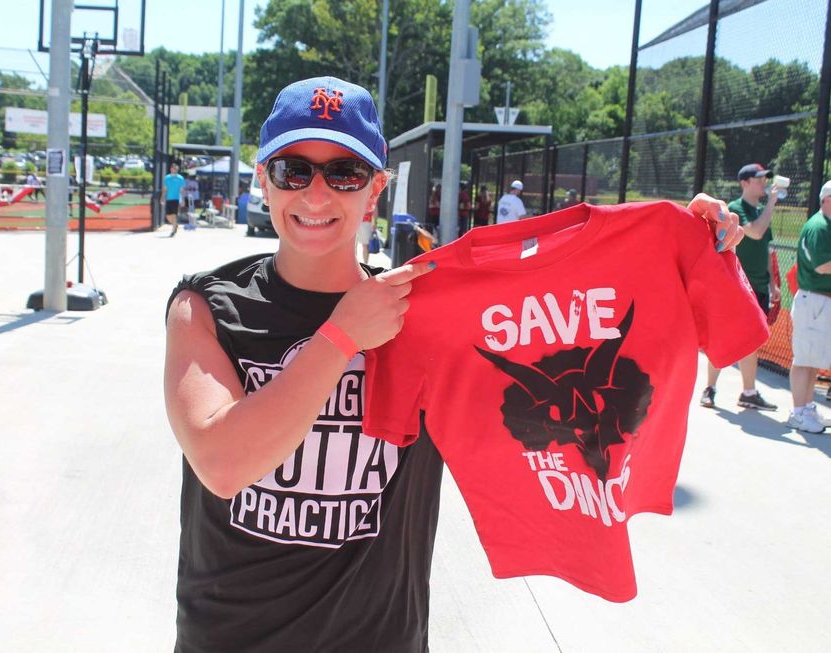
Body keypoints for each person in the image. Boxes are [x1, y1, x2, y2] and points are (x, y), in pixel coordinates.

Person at [163, 75, 743, 652]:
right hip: (231, 637)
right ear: (264, 180)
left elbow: (579, 323)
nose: (316, 195)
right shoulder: (207, 307)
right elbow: (221, 463)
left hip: (381, 638)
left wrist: (678, 248)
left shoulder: (429, 313)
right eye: (294, 170)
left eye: (345, 173)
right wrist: (341, 337)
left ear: (375, 191)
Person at [700, 163, 781, 411]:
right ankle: (710, 388)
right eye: (758, 179)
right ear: (744, 183)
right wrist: (771, 204)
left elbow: (765, 250)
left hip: (757, 286)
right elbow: (754, 233)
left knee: (752, 340)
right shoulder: (736, 209)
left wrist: (772, 283)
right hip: (735, 285)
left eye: (765, 179)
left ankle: (749, 392)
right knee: (722, 336)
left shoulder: (759, 211)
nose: (763, 183)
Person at [786, 180, 831, 434]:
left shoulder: (827, 225)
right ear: (827, 200)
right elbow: (822, 265)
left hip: (820, 302)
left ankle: (807, 406)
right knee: (804, 359)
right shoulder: (819, 226)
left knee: (813, 359)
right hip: (813, 301)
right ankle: (798, 412)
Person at [161, 162, 185, 237]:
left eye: (176, 168)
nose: (175, 170)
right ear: (171, 169)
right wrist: (162, 197)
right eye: (173, 168)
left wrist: (183, 199)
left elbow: (182, 190)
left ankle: (173, 230)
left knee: (174, 214)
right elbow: (165, 188)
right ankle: (175, 225)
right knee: (168, 216)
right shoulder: (167, 178)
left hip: (176, 198)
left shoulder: (180, 178)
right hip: (168, 198)